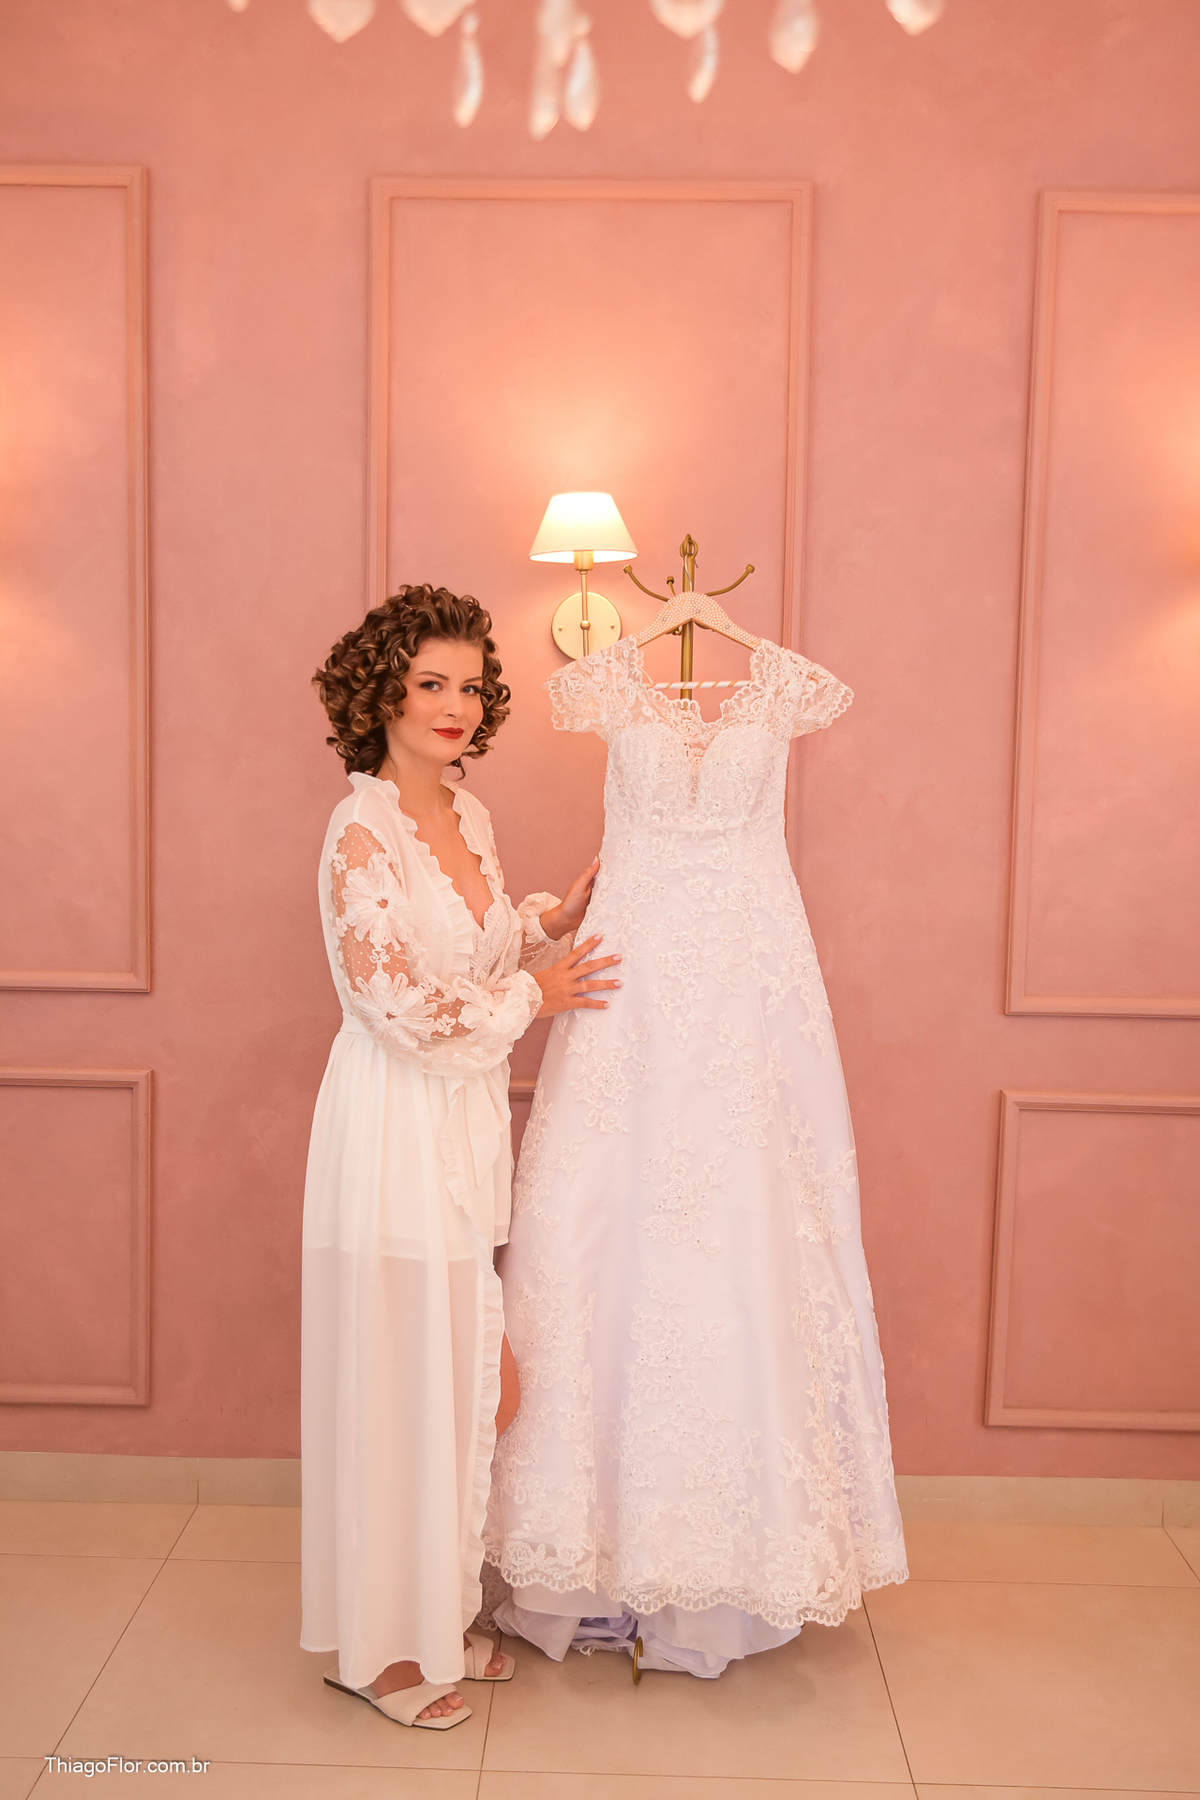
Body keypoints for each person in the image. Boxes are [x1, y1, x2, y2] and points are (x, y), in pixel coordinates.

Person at [300, 584, 620, 1729]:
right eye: (429, 683)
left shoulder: (469, 816)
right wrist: (536, 995)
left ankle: (434, 1617)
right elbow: (395, 1002)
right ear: (380, 694)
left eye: (471, 686)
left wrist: (544, 926)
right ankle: (380, 1652)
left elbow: (469, 956)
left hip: (462, 1123)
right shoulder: (362, 831)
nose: (455, 704)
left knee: (456, 1378)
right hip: (393, 1125)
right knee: (401, 1380)